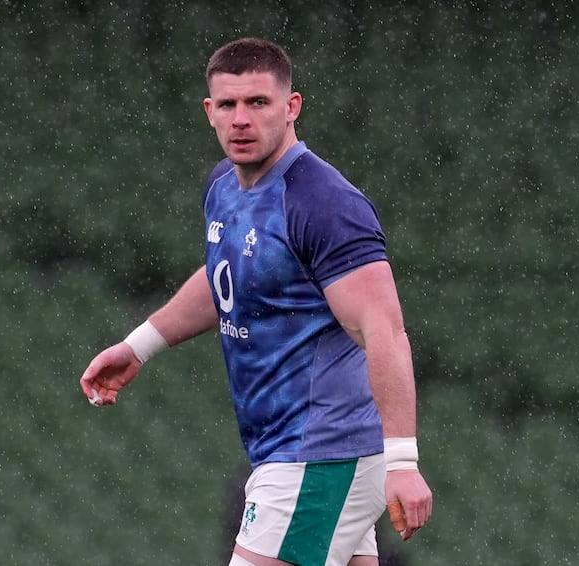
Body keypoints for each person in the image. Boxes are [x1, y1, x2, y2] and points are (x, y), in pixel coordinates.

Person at [79, 37, 432, 566]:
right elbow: (229, 277)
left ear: (291, 107)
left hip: (318, 453)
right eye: (228, 104)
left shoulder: (324, 203)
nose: (241, 119)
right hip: (295, 452)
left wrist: (402, 460)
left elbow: (383, 330)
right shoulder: (223, 185)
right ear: (209, 111)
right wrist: (140, 345)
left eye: (258, 102)